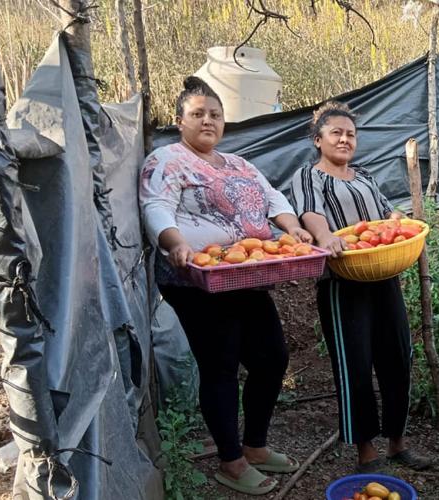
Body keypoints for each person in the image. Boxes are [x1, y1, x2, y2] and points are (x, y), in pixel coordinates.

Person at [139, 76, 312, 496]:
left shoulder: (238, 163)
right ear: (180, 121)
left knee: (272, 357)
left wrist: (294, 230)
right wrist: (176, 242)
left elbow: (274, 200)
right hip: (199, 281)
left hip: (248, 276)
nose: (208, 121)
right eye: (198, 114)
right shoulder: (166, 160)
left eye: (215, 114)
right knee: (221, 365)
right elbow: (155, 205)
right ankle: (231, 462)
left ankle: (255, 446)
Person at [290, 101, 431, 473]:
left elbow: (386, 216)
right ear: (317, 139)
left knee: (398, 357)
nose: (345, 139)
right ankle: (366, 452)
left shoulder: (365, 175)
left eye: (351, 134)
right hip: (341, 281)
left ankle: (399, 442)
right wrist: (326, 237)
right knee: (354, 363)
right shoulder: (308, 176)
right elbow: (311, 213)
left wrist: (400, 220)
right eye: (336, 132)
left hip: (383, 275)